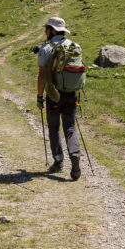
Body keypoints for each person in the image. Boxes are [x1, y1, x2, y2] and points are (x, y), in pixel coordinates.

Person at [36, 16, 82, 180]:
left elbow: (42, 75)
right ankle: (75, 154)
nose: (46, 31)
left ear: (52, 30)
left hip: (53, 94)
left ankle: (58, 162)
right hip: (71, 93)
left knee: (54, 127)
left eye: (47, 28)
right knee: (70, 127)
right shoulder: (74, 46)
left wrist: (40, 97)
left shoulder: (46, 48)